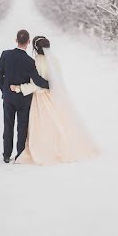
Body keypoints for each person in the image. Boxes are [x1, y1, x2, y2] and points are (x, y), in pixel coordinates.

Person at [11, 35, 98, 165]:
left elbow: (36, 84)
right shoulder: (55, 60)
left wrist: (19, 88)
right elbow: (56, 81)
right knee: (58, 122)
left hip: (40, 98)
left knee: (42, 125)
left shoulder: (36, 61)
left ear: (35, 48)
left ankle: (46, 150)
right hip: (53, 96)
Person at [0, 29, 49, 163]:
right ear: (28, 42)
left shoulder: (5, 55)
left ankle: (6, 155)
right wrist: (50, 84)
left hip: (8, 97)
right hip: (24, 99)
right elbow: (37, 80)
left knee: (8, 125)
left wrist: (4, 90)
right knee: (22, 127)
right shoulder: (30, 61)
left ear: (16, 40)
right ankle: (20, 154)